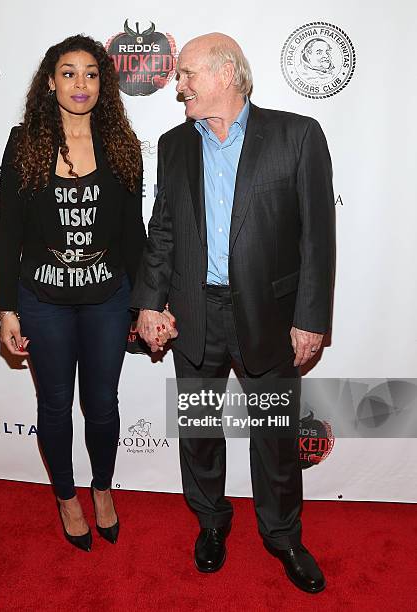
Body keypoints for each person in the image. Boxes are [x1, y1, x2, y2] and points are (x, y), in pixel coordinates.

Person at [132, 33, 335, 593]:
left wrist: (311, 317)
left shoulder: (296, 136)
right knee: (198, 430)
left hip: (269, 316)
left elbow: (319, 236)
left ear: (226, 73)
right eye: (177, 77)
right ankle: (212, 524)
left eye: (188, 75)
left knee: (274, 437)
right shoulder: (174, 146)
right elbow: (163, 234)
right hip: (196, 313)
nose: (179, 87)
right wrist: (150, 304)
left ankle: (284, 536)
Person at [0, 35, 146, 552]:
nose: (80, 84)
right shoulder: (24, 143)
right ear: (50, 81)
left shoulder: (123, 145)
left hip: (107, 297)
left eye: (91, 73)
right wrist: (7, 308)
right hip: (42, 299)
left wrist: (146, 299)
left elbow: (134, 234)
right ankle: (65, 496)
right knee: (55, 405)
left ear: (104, 83)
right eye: (68, 72)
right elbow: (8, 234)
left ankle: (102, 489)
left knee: (102, 405)